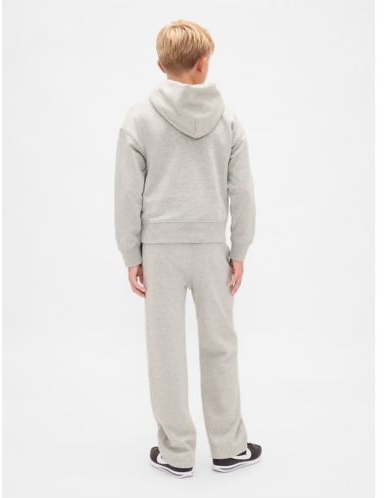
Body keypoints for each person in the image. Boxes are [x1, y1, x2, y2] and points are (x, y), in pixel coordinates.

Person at [114, 19, 261, 479]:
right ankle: (228, 447)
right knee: (220, 345)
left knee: (165, 349)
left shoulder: (139, 118)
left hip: (159, 250)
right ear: (203, 63)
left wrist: (131, 255)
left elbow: (126, 194)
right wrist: (239, 250)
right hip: (212, 247)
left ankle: (177, 452)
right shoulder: (228, 119)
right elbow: (243, 192)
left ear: (161, 66)